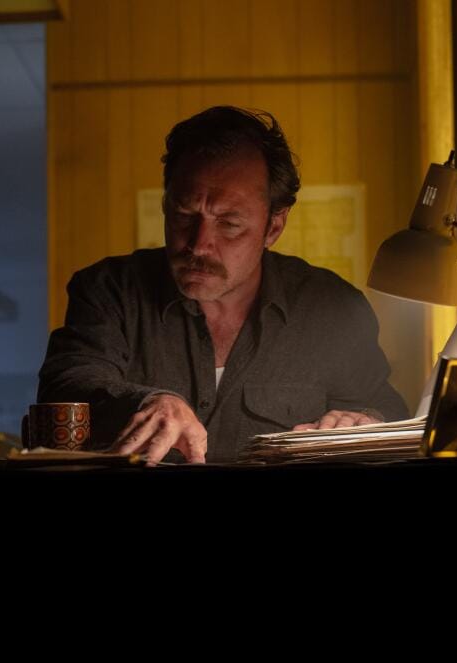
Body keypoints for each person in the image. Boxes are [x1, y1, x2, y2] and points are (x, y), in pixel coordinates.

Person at [37, 106, 408, 463]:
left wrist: (368, 422)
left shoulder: (332, 308)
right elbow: (66, 383)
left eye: (229, 224)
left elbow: (387, 409)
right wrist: (146, 402)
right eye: (184, 216)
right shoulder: (110, 290)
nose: (198, 245)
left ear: (273, 228)